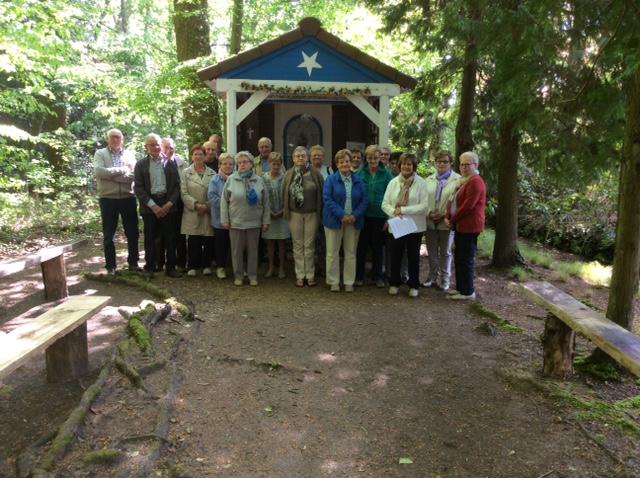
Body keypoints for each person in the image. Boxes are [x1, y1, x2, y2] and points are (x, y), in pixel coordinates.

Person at [134, 133, 182, 277]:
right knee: (150, 238)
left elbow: (177, 186)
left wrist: (169, 204)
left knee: (170, 238)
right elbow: (139, 188)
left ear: (161, 145)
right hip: (150, 206)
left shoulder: (170, 163)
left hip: (168, 204)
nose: (155, 147)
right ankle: (150, 268)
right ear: (146, 147)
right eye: (152, 145)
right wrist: (153, 206)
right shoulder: (141, 164)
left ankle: (171, 268)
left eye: (157, 144)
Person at [382, 153, 428, 297]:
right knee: (396, 255)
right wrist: (394, 212)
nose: (406, 167)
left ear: (414, 167)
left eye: (409, 164)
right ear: (399, 165)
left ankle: (414, 285)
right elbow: (384, 203)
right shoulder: (393, 182)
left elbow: (424, 206)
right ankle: (394, 283)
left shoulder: (421, 183)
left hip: (415, 226)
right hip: (397, 224)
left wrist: (403, 210)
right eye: (403, 164)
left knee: (413, 256)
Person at [220, 151, 270, 286]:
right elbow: (224, 201)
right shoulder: (231, 179)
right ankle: (239, 276)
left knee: (253, 252)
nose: (242, 165)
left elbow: (266, 202)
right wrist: (225, 219)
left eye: (245, 162)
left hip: (254, 222)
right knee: (236, 252)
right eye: (240, 162)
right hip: (236, 222)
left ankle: (253, 276)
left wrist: (266, 221)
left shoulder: (259, 180)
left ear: (251, 164)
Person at [94, 128, 139, 274]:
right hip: (108, 199)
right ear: (108, 139)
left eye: (118, 137)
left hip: (128, 198)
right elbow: (100, 172)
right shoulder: (100, 153)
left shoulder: (130, 155)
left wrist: (111, 174)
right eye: (112, 137)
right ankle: (111, 266)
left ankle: (133, 263)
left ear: (122, 139)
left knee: (132, 233)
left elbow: (134, 175)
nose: (115, 140)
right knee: (109, 234)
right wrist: (121, 170)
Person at [323, 149, 368, 292]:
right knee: (332, 253)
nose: (345, 164)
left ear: (351, 163)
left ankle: (349, 281)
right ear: (337, 164)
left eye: (347, 161)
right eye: (341, 162)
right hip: (334, 220)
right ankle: (333, 281)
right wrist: (342, 215)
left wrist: (355, 215)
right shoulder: (330, 180)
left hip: (353, 221)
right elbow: (327, 199)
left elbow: (365, 200)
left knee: (350, 252)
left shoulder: (358, 180)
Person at [446, 151, 486, 300]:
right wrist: (448, 215)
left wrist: (451, 220)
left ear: (475, 165)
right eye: (462, 164)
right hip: (460, 225)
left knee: (466, 259)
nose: (463, 167)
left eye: (467, 164)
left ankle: (468, 292)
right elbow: (453, 200)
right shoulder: (463, 181)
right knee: (460, 258)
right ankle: (461, 288)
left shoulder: (476, 181)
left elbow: (468, 206)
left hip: (470, 227)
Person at [282, 146, 324, 287]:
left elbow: (322, 193)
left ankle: (310, 275)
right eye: (297, 156)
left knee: (309, 245)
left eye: (303, 155)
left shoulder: (316, 174)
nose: (300, 158)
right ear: (293, 158)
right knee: (298, 245)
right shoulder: (289, 174)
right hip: (295, 214)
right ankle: (300, 275)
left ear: (308, 158)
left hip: (312, 213)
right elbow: (284, 193)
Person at [423, 150, 461, 290]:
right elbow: (423, 200)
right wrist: (429, 213)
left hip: (446, 221)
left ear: (451, 163)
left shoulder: (458, 180)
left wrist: (445, 214)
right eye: (439, 161)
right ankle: (432, 276)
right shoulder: (428, 180)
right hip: (430, 220)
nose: (441, 164)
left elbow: (458, 202)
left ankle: (445, 279)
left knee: (446, 252)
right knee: (432, 252)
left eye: (445, 161)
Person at [356, 144, 392, 287]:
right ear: (366, 158)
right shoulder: (360, 173)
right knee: (362, 247)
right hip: (363, 215)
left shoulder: (387, 174)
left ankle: (377, 277)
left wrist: (389, 218)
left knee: (378, 248)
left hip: (380, 216)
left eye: (375, 157)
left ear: (380, 158)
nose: (373, 160)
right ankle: (359, 276)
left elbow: (391, 197)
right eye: (370, 157)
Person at [181, 144, 215, 276]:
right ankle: (192, 266)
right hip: (192, 210)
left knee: (208, 239)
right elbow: (183, 193)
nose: (198, 156)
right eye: (196, 154)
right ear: (192, 156)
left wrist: (206, 206)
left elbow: (215, 193)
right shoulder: (185, 173)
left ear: (204, 156)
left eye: (201, 154)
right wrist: (196, 205)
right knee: (193, 239)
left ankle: (206, 265)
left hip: (207, 211)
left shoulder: (212, 173)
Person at [160, 137, 187, 272]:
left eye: (171, 148)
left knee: (179, 233)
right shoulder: (157, 162)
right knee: (163, 234)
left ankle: (181, 261)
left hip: (179, 202)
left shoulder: (182, 163)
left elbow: (182, 183)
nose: (169, 150)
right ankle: (161, 261)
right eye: (166, 147)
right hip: (162, 203)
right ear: (161, 147)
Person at [262, 152, 289, 279]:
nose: (276, 166)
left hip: (282, 214)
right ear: (269, 164)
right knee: (270, 243)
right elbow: (262, 197)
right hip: (269, 214)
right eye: (274, 163)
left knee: (282, 242)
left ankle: (282, 267)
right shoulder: (263, 177)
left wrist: (283, 210)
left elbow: (288, 196)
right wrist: (269, 212)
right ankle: (271, 266)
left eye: (278, 164)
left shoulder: (285, 177)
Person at [208, 152, 235, 279]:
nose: (228, 166)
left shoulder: (237, 178)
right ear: (220, 165)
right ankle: (220, 267)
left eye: (231, 164)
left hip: (236, 218)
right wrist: (227, 205)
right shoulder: (215, 179)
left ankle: (237, 268)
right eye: (225, 164)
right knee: (221, 245)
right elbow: (212, 198)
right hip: (219, 218)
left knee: (235, 245)